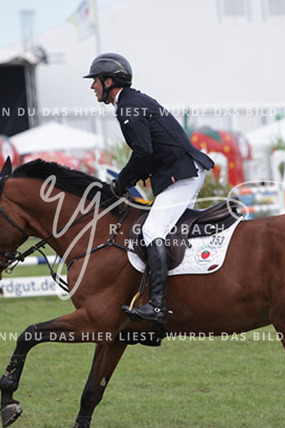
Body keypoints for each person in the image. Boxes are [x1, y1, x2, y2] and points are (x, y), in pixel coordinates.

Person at [84, 53, 215, 323]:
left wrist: (122, 182)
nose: (92, 86)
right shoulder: (132, 102)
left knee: (152, 230)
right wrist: (134, 178)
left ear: (108, 82)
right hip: (181, 171)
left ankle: (157, 305)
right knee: (170, 233)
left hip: (183, 174)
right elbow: (151, 149)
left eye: (95, 80)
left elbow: (143, 152)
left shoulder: (128, 106)